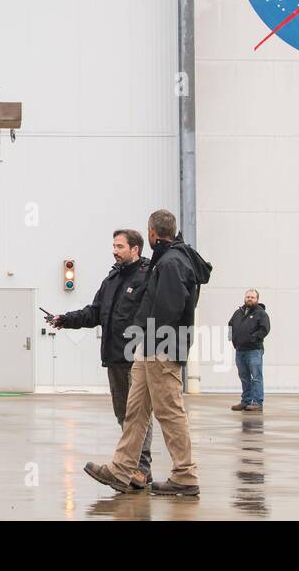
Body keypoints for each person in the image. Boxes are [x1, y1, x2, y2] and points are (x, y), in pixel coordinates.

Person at [85, 209, 212, 497]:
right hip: (149, 348)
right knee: (135, 411)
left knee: (169, 412)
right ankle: (122, 469)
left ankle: (185, 474)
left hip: (161, 349)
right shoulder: (167, 259)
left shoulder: (171, 262)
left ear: (152, 233)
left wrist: (152, 341)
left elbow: (169, 307)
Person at [49, 229, 154, 490]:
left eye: (120, 246)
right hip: (114, 357)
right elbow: (95, 312)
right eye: (114, 246)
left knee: (138, 415)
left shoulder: (147, 277)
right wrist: (65, 319)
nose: (114, 250)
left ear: (135, 249)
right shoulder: (112, 279)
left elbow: (153, 316)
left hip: (136, 357)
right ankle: (132, 466)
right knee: (123, 414)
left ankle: (141, 469)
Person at [229, 289, 269, 411]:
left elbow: (265, 329)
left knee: (256, 377)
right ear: (245, 298)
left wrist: (253, 338)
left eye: (252, 297)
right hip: (240, 351)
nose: (249, 299)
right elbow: (230, 325)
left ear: (257, 299)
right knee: (244, 377)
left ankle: (257, 402)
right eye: (248, 297)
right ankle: (246, 401)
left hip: (254, 350)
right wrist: (233, 340)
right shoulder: (238, 313)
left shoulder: (261, 313)